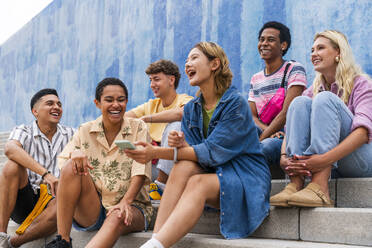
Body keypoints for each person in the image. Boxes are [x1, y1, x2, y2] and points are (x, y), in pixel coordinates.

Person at [125, 42, 271, 248]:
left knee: (197, 183)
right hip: (215, 173)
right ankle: (156, 239)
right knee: (183, 165)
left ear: (214, 64)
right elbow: (192, 153)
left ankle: (154, 245)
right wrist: (182, 144)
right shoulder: (193, 108)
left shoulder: (235, 104)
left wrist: (155, 152)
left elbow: (211, 151)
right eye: (186, 61)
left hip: (245, 176)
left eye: (194, 58)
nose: (187, 65)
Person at [45, 78, 153, 248]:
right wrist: (76, 153)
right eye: (109, 100)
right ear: (97, 103)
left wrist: (125, 202)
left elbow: (140, 170)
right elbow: (63, 163)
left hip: (133, 206)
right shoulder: (85, 130)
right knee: (70, 167)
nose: (116, 105)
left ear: (126, 101)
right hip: (93, 208)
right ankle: (63, 241)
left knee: (117, 215)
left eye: (121, 100)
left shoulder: (138, 127)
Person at [270, 30, 372, 207]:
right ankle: (295, 184)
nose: (313, 54)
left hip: (362, 161)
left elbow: (363, 134)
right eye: (312, 50)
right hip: (331, 162)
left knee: (325, 99)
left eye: (321, 48)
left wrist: (324, 160)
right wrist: (284, 156)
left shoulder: (362, 84)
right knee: (299, 102)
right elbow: (289, 130)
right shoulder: (313, 89)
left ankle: (320, 187)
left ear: (338, 53)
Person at [0, 89, 74, 248]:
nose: (57, 107)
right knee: (12, 165)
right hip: (25, 200)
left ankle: (11, 243)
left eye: (59, 104)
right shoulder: (23, 131)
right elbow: (10, 149)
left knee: (63, 202)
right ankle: (1, 234)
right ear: (35, 111)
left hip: (54, 203)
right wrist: (46, 174)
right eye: (50, 103)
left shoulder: (71, 134)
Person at [125, 59, 193, 200]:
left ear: (171, 80)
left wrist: (146, 119)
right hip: (151, 165)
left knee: (176, 125)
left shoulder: (185, 99)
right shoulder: (151, 105)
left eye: (156, 79)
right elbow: (124, 117)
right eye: (150, 80)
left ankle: (161, 187)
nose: (152, 85)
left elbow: (181, 113)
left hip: (175, 167)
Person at [248, 21, 307, 169]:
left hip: (286, 138)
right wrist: (266, 132)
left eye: (271, 40)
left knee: (265, 148)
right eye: (261, 39)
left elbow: (287, 112)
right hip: (265, 132)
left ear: (283, 45)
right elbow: (252, 116)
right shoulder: (255, 78)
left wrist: (263, 138)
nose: (264, 43)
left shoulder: (294, 69)